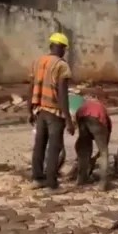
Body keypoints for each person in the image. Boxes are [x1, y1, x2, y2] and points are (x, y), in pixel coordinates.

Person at [29, 32, 76, 190]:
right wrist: (68, 120)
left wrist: (30, 109)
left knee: (39, 145)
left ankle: (37, 178)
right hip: (54, 113)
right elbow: (62, 94)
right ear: (62, 48)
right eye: (64, 48)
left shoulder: (38, 62)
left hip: (40, 110)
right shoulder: (61, 66)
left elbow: (31, 86)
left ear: (50, 46)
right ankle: (52, 184)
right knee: (54, 148)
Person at [67, 92, 113, 190]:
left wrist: (93, 158)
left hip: (82, 115)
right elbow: (104, 145)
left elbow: (81, 143)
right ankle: (103, 183)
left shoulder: (84, 104)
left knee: (84, 150)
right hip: (97, 117)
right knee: (104, 153)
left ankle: (81, 179)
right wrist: (98, 155)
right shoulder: (106, 120)